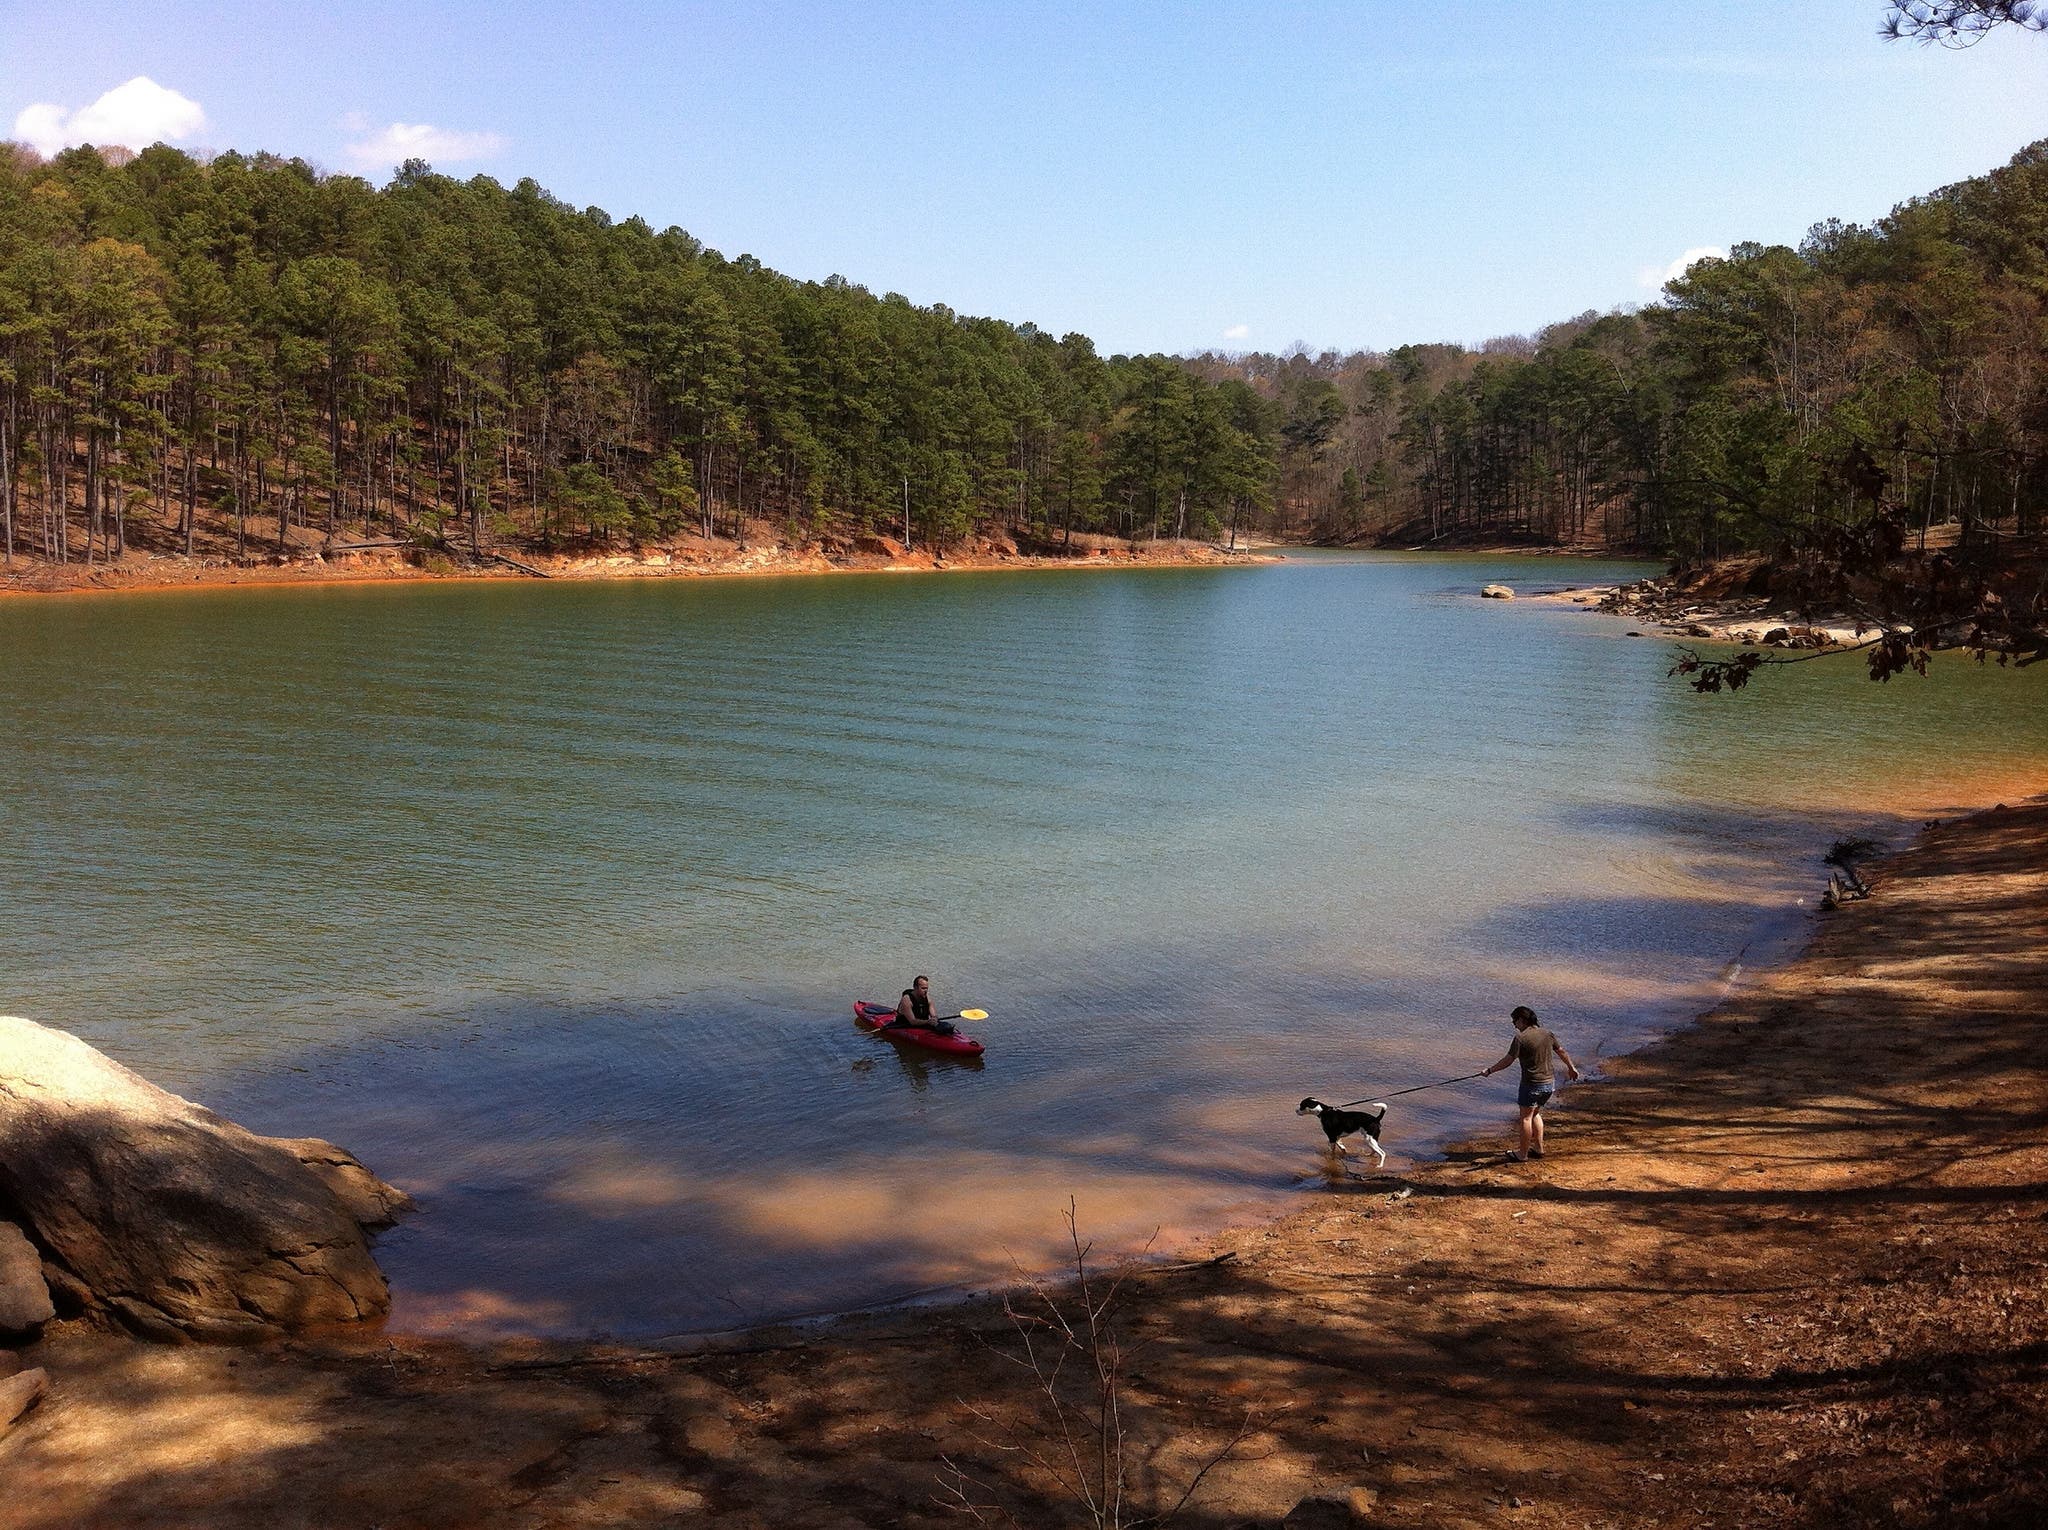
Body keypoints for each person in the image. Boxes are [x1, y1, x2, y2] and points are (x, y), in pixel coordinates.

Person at [1482, 1004, 1580, 1162]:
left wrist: (1489, 1070)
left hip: (1531, 1085)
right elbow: (1561, 1051)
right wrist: (1571, 1068)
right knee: (1535, 1114)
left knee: (1526, 1118)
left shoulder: (1520, 1038)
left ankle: (1522, 1154)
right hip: (1549, 1084)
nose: (1514, 1025)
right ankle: (1539, 1148)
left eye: (1514, 1021)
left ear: (1522, 1020)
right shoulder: (1547, 1033)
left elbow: (1508, 1060)